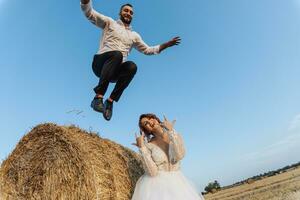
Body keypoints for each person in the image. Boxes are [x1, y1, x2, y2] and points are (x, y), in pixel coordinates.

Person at [80, 1, 181, 121]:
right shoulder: (110, 23)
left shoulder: (134, 36)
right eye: (126, 11)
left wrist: (166, 45)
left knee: (132, 66)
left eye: (131, 13)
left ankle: (110, 102)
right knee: (117, 54)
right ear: (120, 13)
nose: (128, 13)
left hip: (114, 71)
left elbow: (148, 50)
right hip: (100, 64)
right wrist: (85, 2)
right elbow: (90, 13)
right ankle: (98, 98)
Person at [132, 114, 205, 200]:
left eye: (150, 118)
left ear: (157, 120)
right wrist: (142, 148)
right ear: (145, 130)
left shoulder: (173, 134)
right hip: (157, 188)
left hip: (178, 183)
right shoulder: (148, 146)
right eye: (145, 123)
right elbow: (152, 173)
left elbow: (180, 155)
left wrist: (171, 130)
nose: (150, 122)